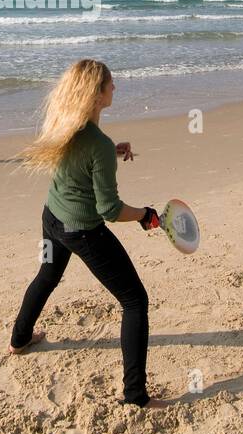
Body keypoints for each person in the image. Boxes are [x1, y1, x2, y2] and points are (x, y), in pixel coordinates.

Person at [9, 58, 169, 409]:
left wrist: (109, 152)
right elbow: (110, 210)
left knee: (47, 275)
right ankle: (135, 397)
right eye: (111, 84)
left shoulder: (67, 125)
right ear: (97, 95)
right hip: (82, 231)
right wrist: (145, 215)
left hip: (52, 217)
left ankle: (19, 339)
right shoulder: (95, 142)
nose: (116, 88)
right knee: (134, 301)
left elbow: (79, 161)